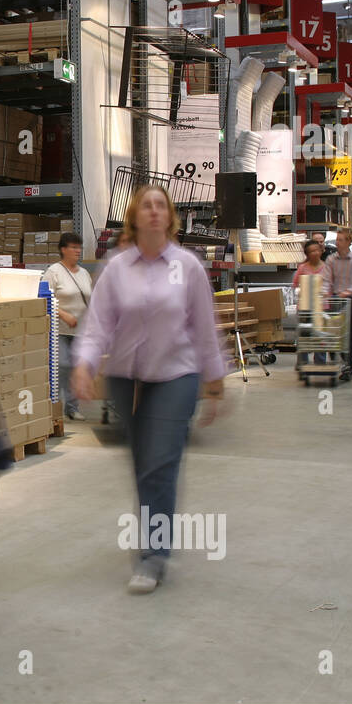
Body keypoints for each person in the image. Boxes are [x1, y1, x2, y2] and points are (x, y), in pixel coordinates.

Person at [71, 185, 227, 595]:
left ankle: (153, 556)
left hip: (176, 376)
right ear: (135, 217)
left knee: (160, 462)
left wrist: (214, 380)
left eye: (161, 205)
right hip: (125, 379)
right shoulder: (118, 267)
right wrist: (85, 364)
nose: (154, 212)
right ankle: (153, 534)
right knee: (143, 465)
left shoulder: (188, 266)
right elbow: (98, 324)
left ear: (170, 216)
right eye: (147, 206)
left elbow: (203, 327)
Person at [42, 232, 93, 422]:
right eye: (73, 247)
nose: (77, 251)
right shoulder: (54, 272)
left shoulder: (84, 273)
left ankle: (72, 407)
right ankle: (56, 404)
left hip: (81, 331)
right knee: (63, 365)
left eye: (79, 247)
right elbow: (44, 299)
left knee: (77, 367)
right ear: (63, 249)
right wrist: (63, 315)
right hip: (60, 331)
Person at [322, 229, 352, 381]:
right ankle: (338, 360)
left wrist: (347, 292)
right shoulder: (331, 260)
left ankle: (347, 366)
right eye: (337, 239)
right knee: (334, 334)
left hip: (350, 301)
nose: (337, 243)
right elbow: (327, 280)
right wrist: (326, 296)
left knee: (349, 336)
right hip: (334, 301)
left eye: (341, 240)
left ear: (348, 242)